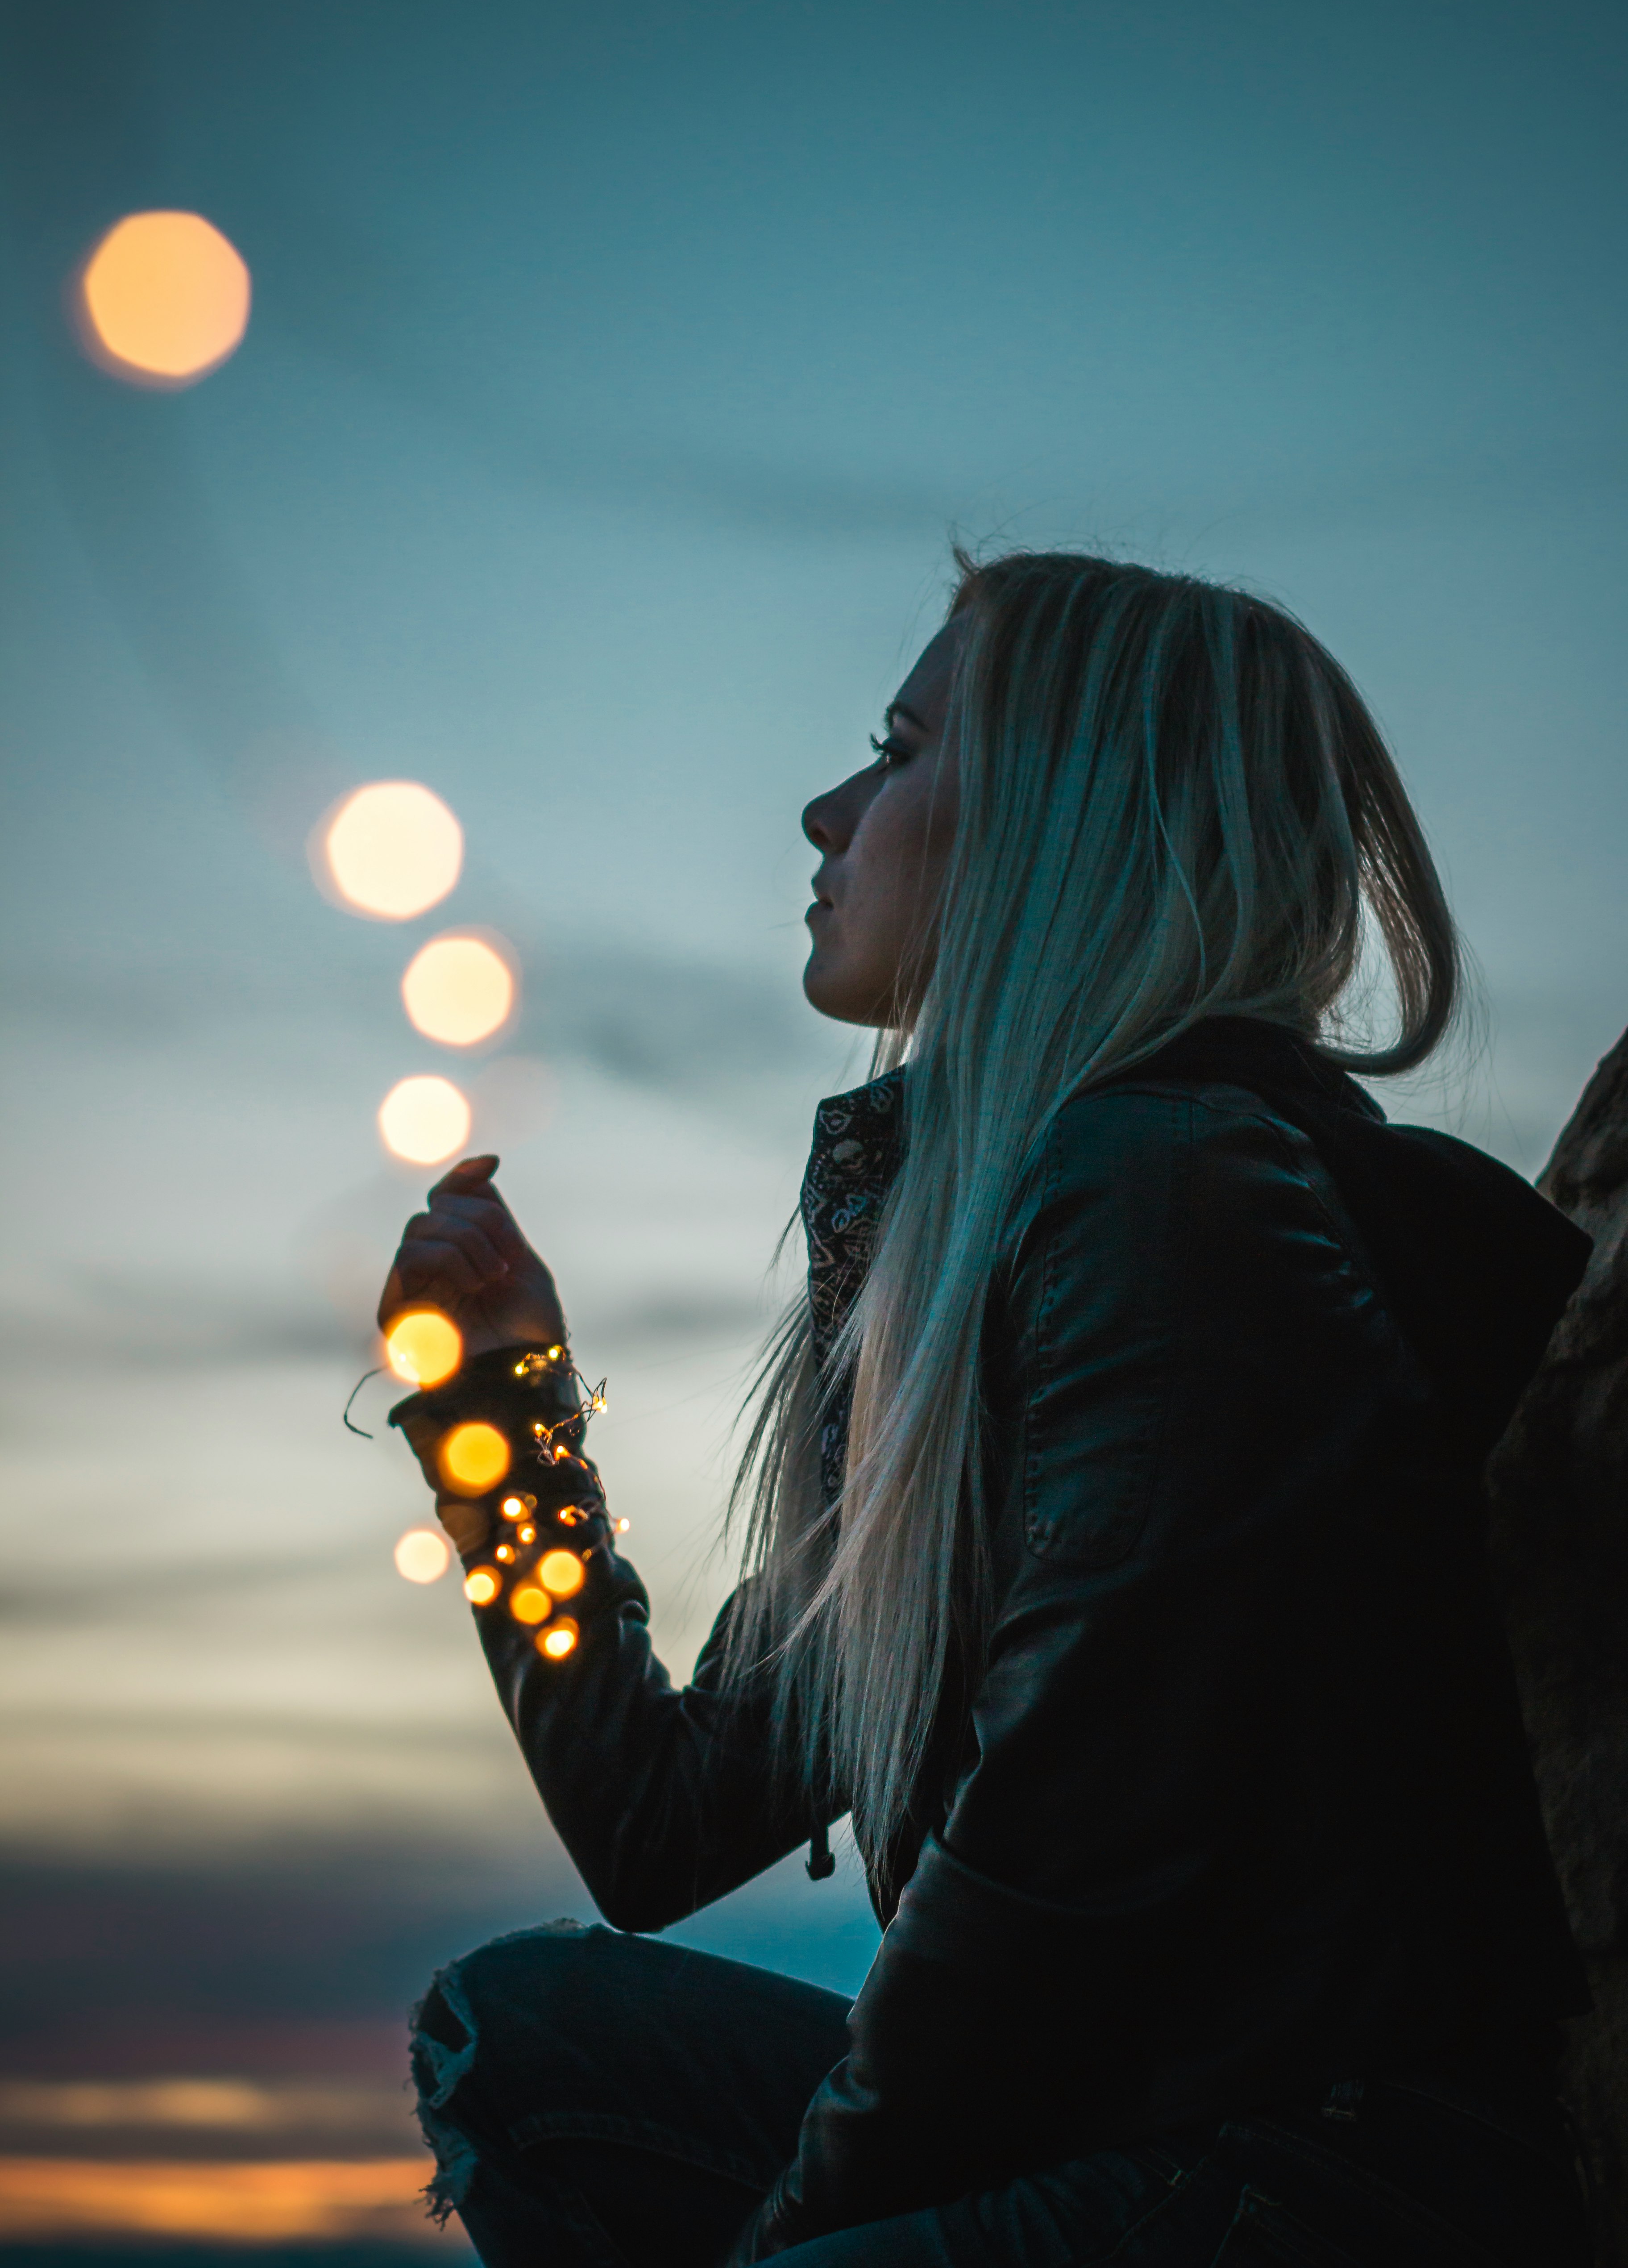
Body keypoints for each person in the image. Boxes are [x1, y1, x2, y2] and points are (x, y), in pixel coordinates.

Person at [381, 551, 1595, 2266]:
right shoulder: (972, 1257)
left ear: (1064, 814)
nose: (826, 811)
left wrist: (791, 2236)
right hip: (1118, 2118)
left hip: (1304, 2169)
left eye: (894, 750)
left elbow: (1062, 1872)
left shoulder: (1173, 1195)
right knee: (518, 2041)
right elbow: (659, 1822)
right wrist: (493, 1409)